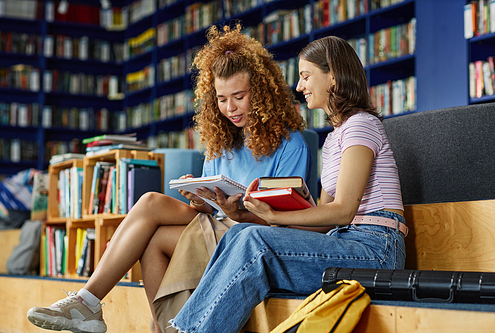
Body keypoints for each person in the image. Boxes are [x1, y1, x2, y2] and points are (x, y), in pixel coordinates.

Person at [27, 24, 312, 333]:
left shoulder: (290, 143)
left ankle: (92, 306)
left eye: (239, 96)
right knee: (150, 204)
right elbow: (211, 207)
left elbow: (288, 222)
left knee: (155, 241)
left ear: (260, 92)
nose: (230, 108)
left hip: (254, 232)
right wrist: (201, 198)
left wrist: (239, 212)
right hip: (218, 222)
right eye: (221, 99)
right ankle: (93, 304)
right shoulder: (222, 140)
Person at [168, 35, 407, 333]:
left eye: (306, 76)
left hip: (376, 249)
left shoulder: (361, 124)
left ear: (332, 77)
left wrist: (275, 217)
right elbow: (325, 218)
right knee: (243, 232)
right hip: (344, 242)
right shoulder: (333, 139)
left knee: (253, 241)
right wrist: (251, 215)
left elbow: (344, 210)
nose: (299, 86)